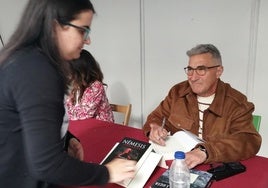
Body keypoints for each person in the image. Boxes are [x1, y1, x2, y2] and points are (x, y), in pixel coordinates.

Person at [0, 0, 136, 188]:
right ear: (55, 26)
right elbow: (47, 164)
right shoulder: (37, 71)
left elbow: (34, 121)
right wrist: (108, 172)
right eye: (83, 30)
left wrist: (68, 138)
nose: (88, 40)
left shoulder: (26, 62)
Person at [143, 44, 262, 169]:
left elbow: (248, 140)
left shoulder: (236, 103)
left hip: (216, 167)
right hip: (177, 164)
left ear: (218, 71)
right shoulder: (177, 92)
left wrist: (204, 152)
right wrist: (155, 128)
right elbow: (157, 117)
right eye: (190, 69)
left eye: (201, 69)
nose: (193, 77)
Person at [65, 49, 114, 122]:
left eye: (72, 70)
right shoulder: (77, 86)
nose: (70, 74)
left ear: (80, 70)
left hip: (103, 127)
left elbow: (85, 114)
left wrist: (69, 110)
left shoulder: (96, 86)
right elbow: (67, 108)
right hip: (86, 124)